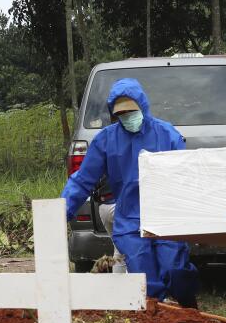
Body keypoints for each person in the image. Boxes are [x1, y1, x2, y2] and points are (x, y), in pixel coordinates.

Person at [62, 78, 199, 306]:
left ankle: (189, 311)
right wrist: (60, 212)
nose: (127, 117)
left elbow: (186, 179)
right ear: (114, 115)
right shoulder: (106, 141)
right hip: (130, 221)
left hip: (166, 218)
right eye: (121, 113)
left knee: (175, 270)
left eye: (131, 111)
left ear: (142, 106)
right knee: (144, 279)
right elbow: (82, 180)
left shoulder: (168, 135)